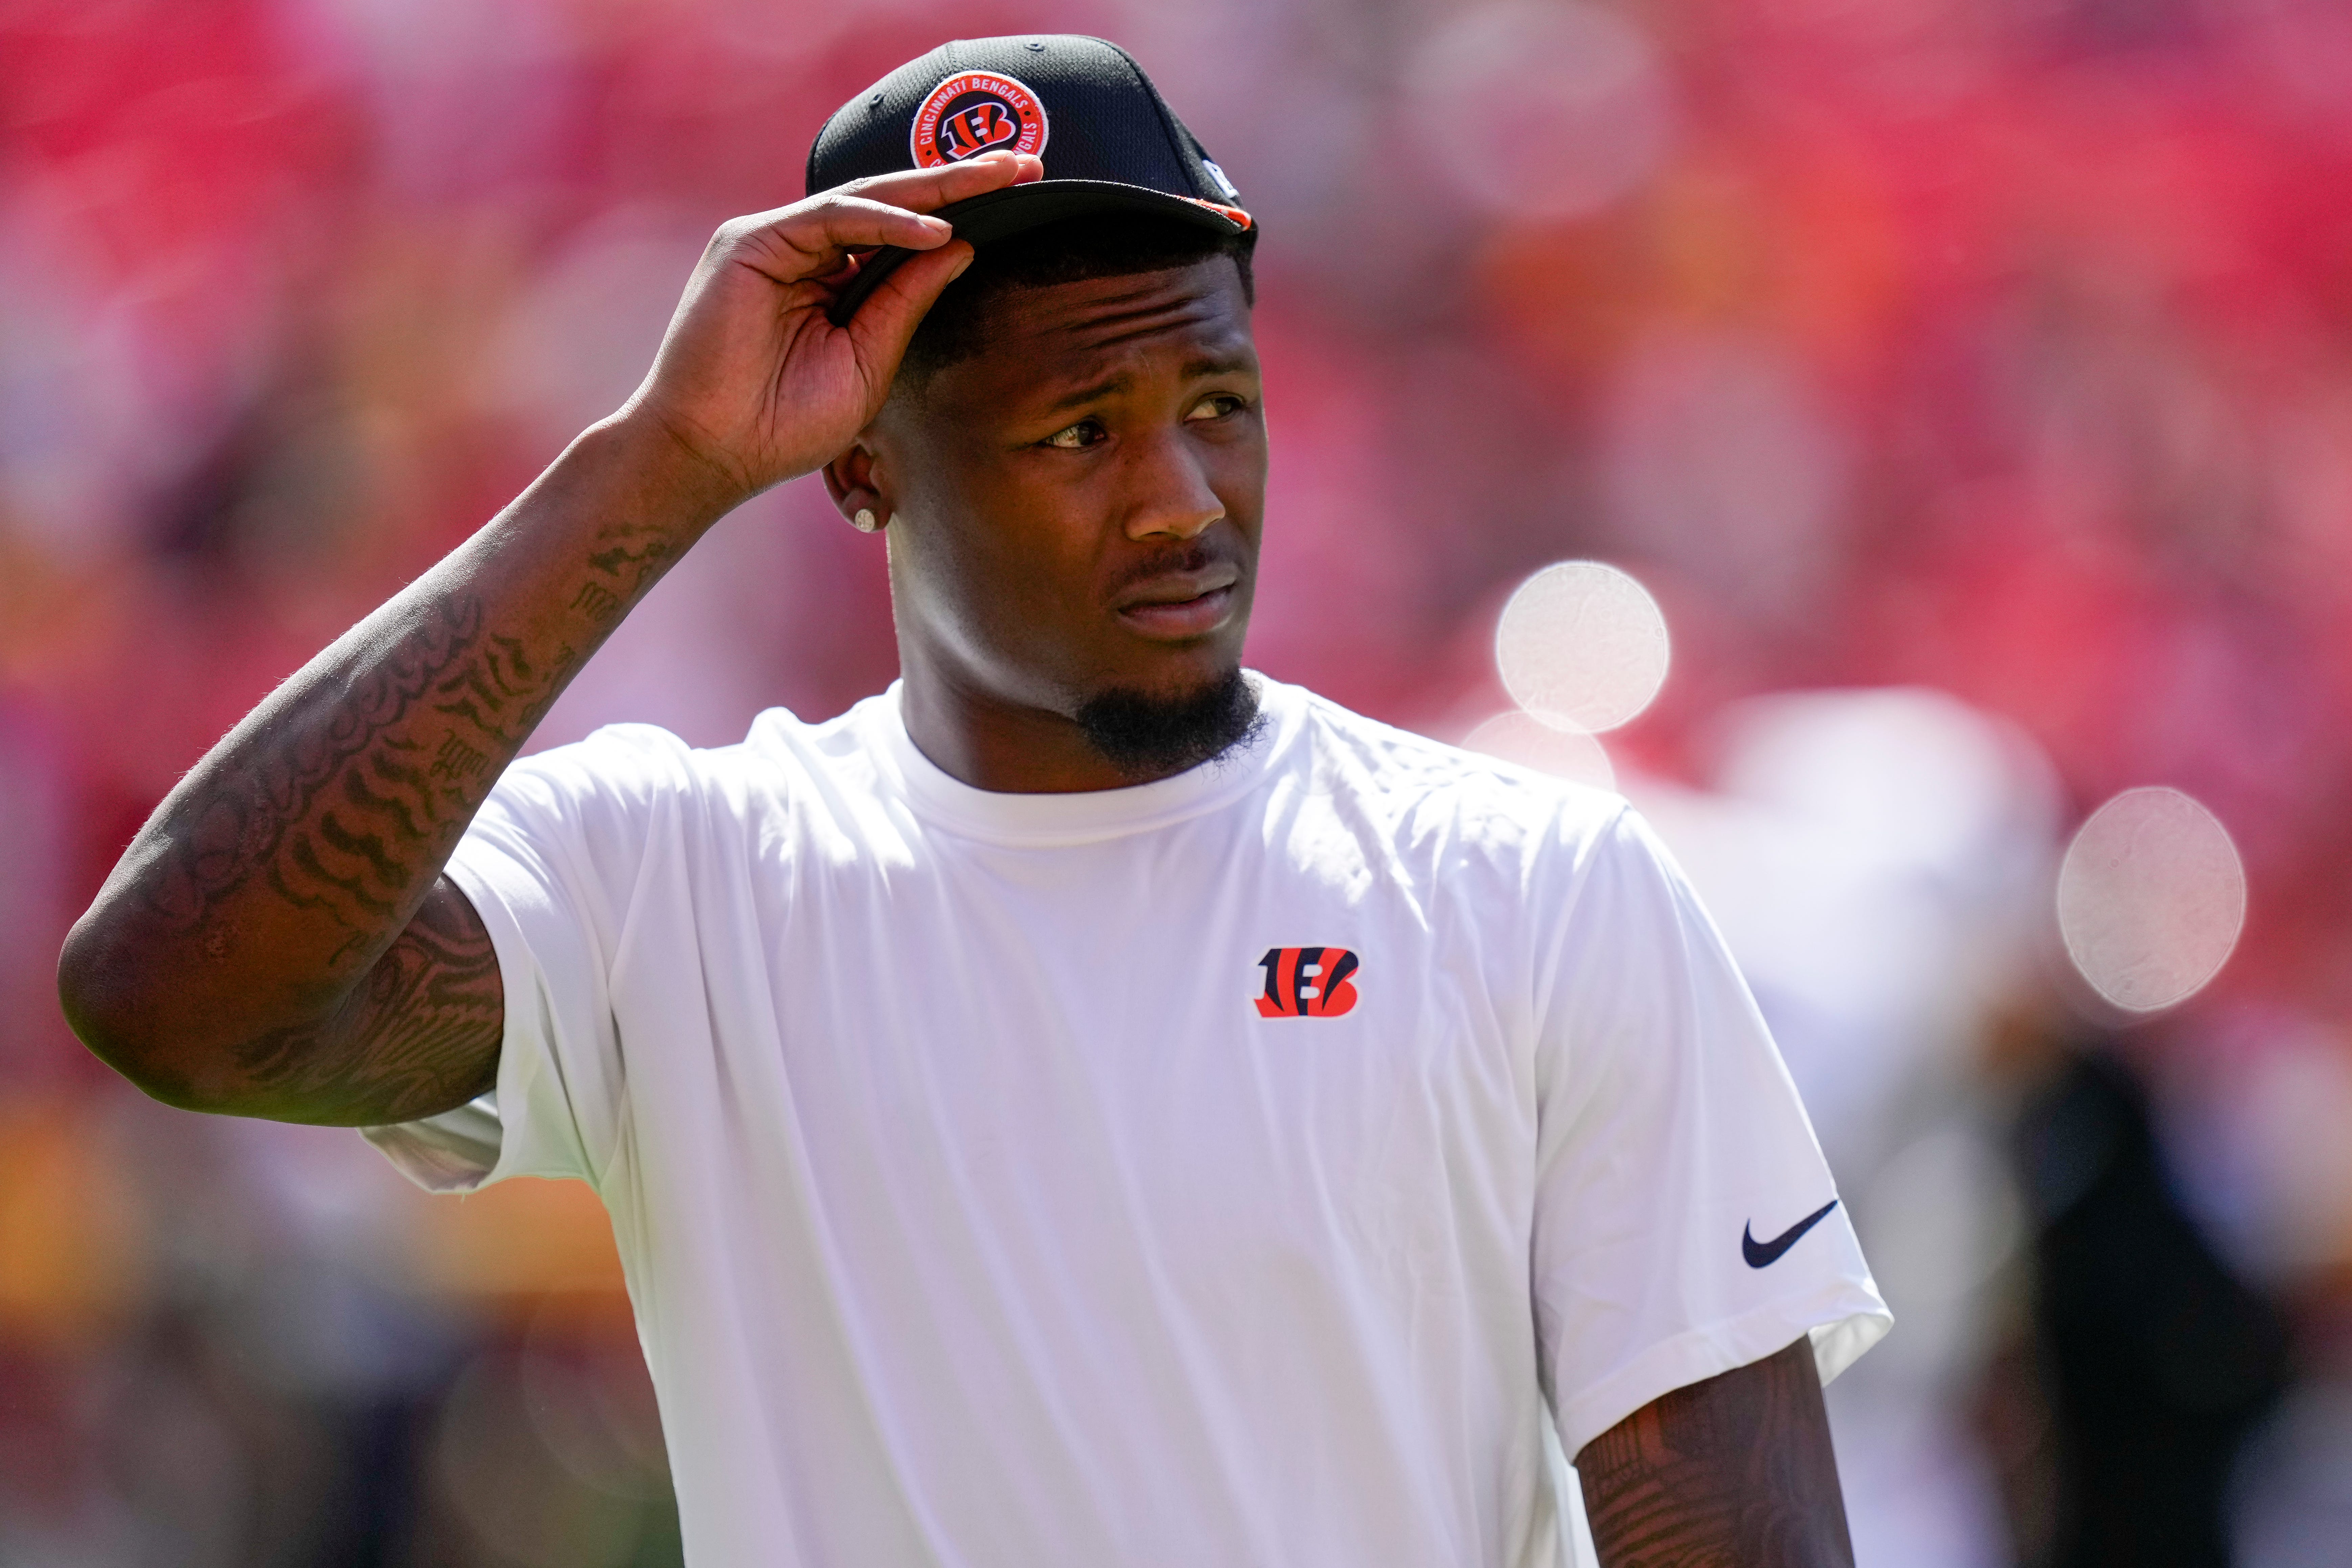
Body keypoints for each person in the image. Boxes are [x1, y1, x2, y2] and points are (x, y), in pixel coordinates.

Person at [59, 35, 1888, 1568]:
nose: (1183, 497)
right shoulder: (683, 889)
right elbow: (184, 996)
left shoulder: (1531, 887)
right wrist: (658, 468)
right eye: (1078, 433)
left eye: (1219, 405)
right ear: (859, 465)